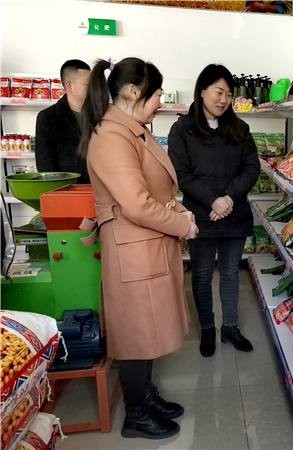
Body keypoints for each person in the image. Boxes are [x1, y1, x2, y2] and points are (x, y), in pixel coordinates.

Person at [79, 57, 199, 440]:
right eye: (157, 94)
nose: (161, 102)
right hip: (132, 247)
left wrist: (178, 210)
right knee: (136, 334)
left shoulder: (131, 130)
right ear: (133, 92)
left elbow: (152, 191)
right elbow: (137, 204)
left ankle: (145, 396)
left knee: (147, 329)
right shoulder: (112, 135)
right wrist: (182, 224)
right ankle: (136, 414)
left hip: (145, 244)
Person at [168, 64, 260, 358]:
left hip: (234, 212)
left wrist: (229, 198)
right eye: (218, 92)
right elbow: (181, 174)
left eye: (229, 94)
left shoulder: (240, 128)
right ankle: (207, 328)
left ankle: (230, 327)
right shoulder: (182, 129)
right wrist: (213, 201)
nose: (223, 100)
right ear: (202, 90)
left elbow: (251, 168)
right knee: (202, 274)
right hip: (201, 216)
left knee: (231, 272)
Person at [36, 59, 91, 182]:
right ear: (69, 86)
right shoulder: (48, 117)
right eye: (87, 84)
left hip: (98, 188)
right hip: (66, 188)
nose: (93, 88)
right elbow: (45, 165)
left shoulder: (100, 114)